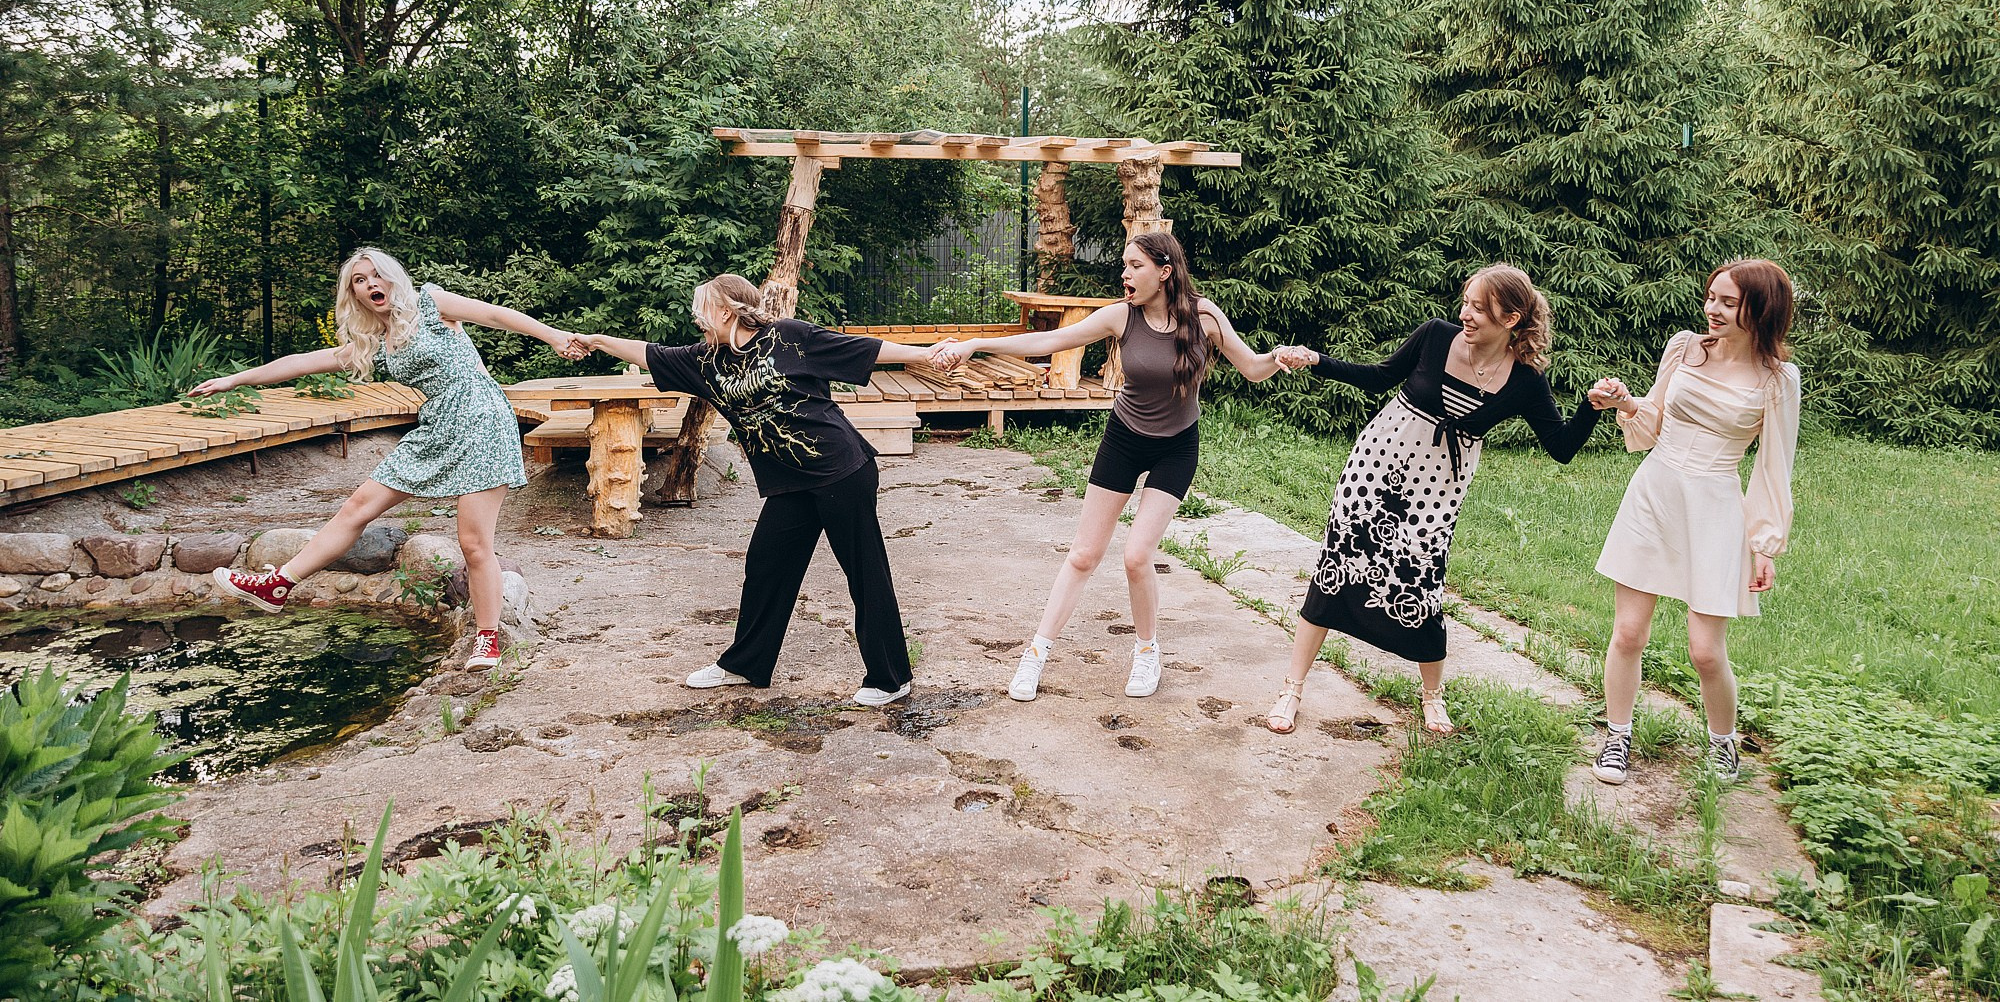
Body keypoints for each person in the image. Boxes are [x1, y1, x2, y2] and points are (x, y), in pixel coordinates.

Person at [931, 231, 1294, 702]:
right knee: (1083, 555)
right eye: (1123, 265)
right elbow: (1050, 339)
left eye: (1135, 266)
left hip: (1176, 447)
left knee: (1136, 556)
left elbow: (1251, 367)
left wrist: (1278, 359)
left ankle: (1147, 652)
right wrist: (976, 344)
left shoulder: (1204, 318)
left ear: (1164, 272)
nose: (1124, 274)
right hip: (1124, 440)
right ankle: (1036, 654)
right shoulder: (1121, 316)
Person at [198, 248, 579, 670]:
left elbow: (498, 315)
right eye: (360, 280)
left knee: (473, 543)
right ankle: (278, 584)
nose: (371, 284)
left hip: (482, 419)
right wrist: (235, 379)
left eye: (377, 275)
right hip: (436, 425)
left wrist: (556, 337)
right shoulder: (374, 344)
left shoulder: (432, 304)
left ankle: (487, 637)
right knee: (356, 507)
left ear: (393, 278)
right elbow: (301, 363)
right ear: (354, 294)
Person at [1264, 265, 1602, 736]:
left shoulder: (1525, 381)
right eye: (1466, 302)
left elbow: (1562, 448)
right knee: (1337, 564)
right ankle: (1292, 687)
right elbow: (1380, 377)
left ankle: (1432, 697)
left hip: (1437, 487)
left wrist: (1590, 407)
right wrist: (1316, 360)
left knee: (1422, 581)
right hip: (1378, 463)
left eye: (1479, 308)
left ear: (1512, 318)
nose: (1465, 314)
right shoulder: (1435, 336)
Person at [579, 275, 938, 707]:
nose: (697, 320)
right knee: (767, 565)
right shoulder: (706, 360)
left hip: (840, 470)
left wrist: (927, 355)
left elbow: (864, 349)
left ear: (726, 311)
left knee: (864, 571)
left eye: (703, 310)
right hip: (789, 482)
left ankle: (890, 677)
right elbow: (649, 353)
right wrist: (598, 340)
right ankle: (746, 664)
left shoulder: (790, 336)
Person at [1587, 259, 1800, 786]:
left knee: (1705, 651)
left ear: (1760, 310)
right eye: (1711, 298)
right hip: (1654, 492)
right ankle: (1617, 736)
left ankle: (1724, 744)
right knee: (1629, 631)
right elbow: (1656, 418)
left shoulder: (1777, 379)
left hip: (1715, 504)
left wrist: (1764, 544)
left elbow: (1775, 465)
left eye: (1728, 303)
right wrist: (1624, 402)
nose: (1713, 309)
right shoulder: (1685, 347)